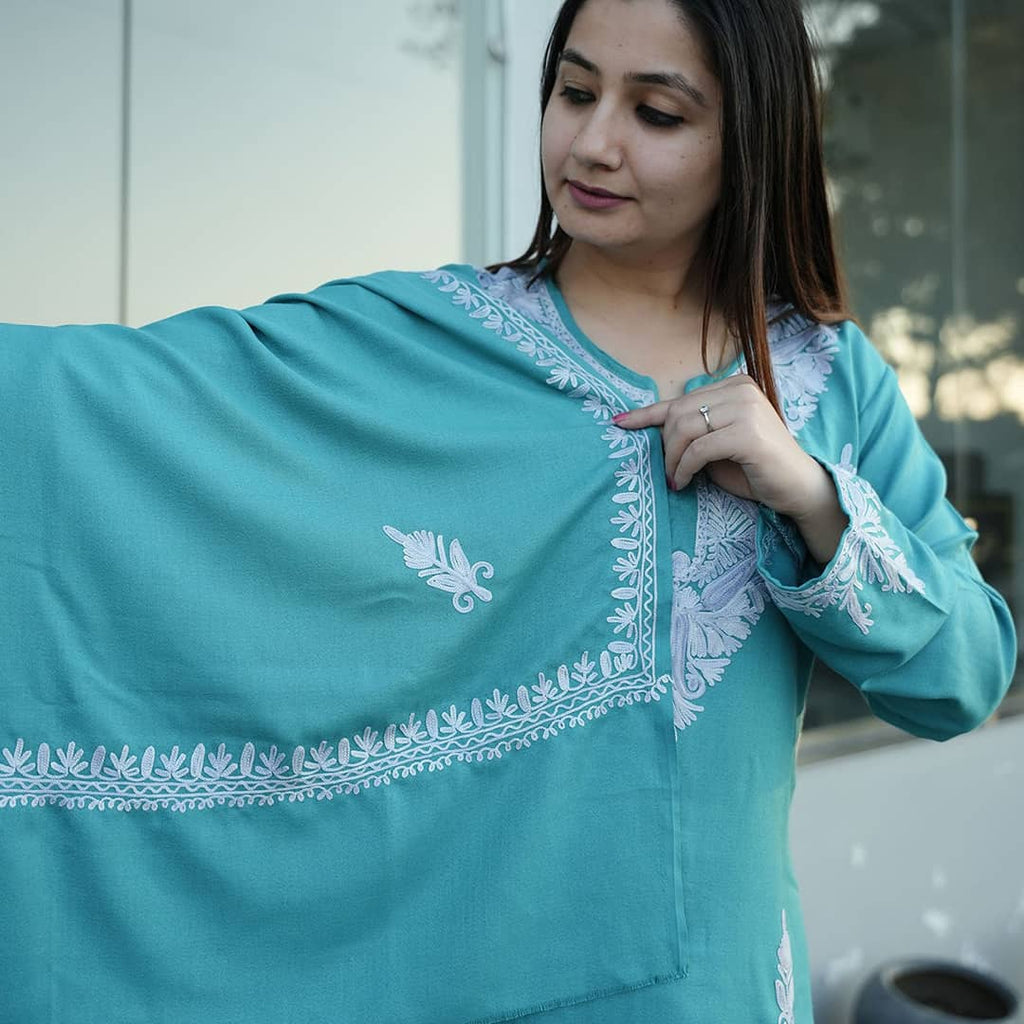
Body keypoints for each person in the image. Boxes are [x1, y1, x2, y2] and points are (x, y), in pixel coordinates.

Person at [0, 1, 1015, 1021]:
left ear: (752, 137)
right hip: (456, 976)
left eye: (655, 113)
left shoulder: (829, 383)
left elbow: (963, 679)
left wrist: (812, 497)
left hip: (715, 990)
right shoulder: (422, 348)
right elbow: (102, 409)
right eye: (574, 91)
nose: (592, 142)